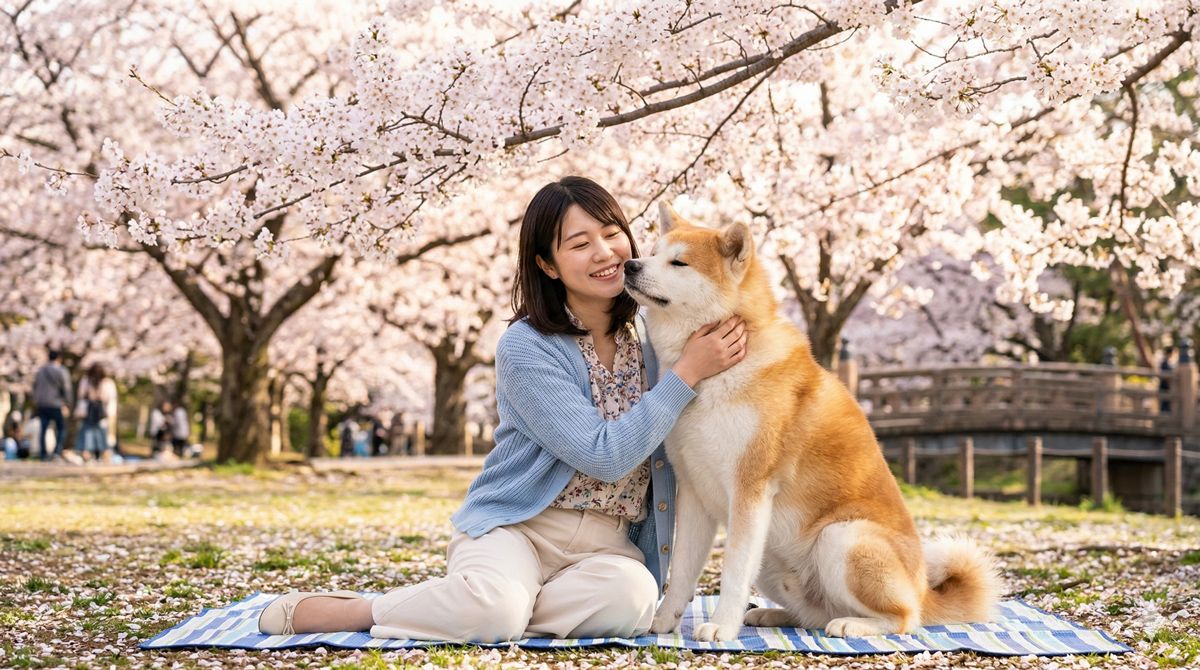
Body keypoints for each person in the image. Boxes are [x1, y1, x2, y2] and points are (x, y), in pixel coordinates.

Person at [257, 176, 748, 641]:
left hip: (609, 544)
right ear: (548, 265)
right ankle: (363, 611)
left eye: (611, 233)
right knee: (496, 608)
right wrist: (686, 373)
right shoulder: (527, 346)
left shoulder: (656, 334)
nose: (604, 253)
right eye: (579, 244)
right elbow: (603, 456)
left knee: (632, 602)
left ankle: (494, 608)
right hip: (519, 528)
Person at [31, 349, 72, 461]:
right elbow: (66, 389)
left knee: (43, 429)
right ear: (59, 358)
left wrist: (36, 401)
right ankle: (56, 452)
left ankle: (43, 454)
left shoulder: (40, 371)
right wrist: (67, 403)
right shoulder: (61, 371)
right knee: (61, 428)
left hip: (42, 404)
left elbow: (35, 387)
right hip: (56, 404)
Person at [74, 363, 118, 463]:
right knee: (102, 435)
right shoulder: (108, 383)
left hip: (89, 411)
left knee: (87, 434)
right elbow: (111, 399)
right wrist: (111, 414)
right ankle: (105, 455)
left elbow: (81, 396)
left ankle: (87, 455)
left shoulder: (86, 381)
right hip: (101, 412)